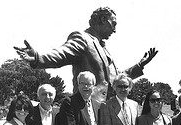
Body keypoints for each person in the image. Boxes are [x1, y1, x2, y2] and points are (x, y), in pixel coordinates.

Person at [14, 7, 158, 100]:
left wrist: (139, 65)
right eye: (113, 24)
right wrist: (38, 58)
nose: (114, 30)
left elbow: (116, 79)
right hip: (87, 107)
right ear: (103, 19)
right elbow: (61, 54)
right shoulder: (83, 38)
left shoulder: (102, 47)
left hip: (106, 108)